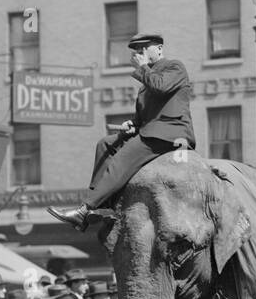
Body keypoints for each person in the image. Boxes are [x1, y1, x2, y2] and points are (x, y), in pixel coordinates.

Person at [48, 33, 195, 232]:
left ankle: (85, 209)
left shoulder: (174, 67)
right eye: (137, 51)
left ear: (159, 49)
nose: (139, 53)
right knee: (105, 144)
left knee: (121, 159)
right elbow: (145, 116)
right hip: (151, 130)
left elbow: (161, 87)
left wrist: (142, 67)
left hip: (170, 133)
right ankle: (103, 207)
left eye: (144, 48)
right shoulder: (146, 81)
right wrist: (133, 124)